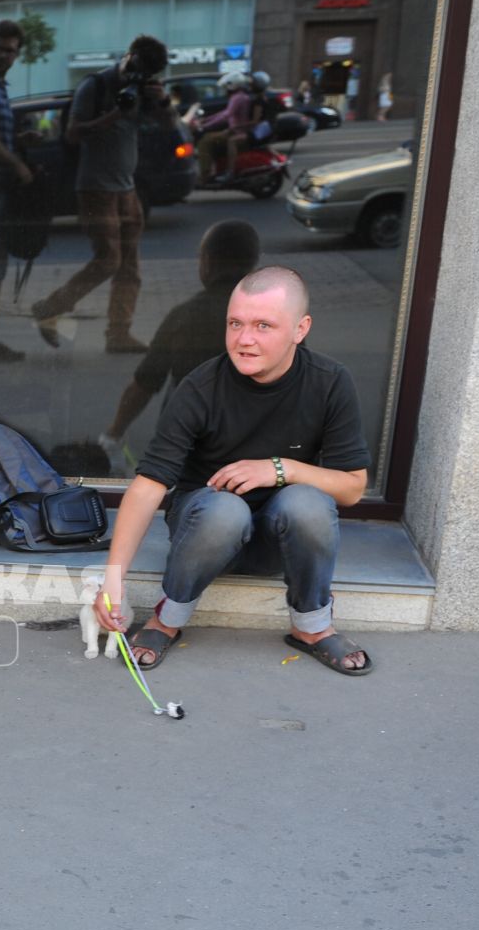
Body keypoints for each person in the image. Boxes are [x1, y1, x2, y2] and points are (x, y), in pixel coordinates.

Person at [94, 266, 375, 676]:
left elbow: (352, 489)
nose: (245, 339)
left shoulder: (329, 382)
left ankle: (313, 628)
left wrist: (281, 469)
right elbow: (149, 484)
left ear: (301, 328)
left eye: (264, 325)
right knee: (226, 510)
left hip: (279, 543)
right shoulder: (200, 387)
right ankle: (166, 620)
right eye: (235, 324)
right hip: (206, 534)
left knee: (308, 502)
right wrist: (113, 580)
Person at [28, 34, 170, 355]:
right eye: (138, 69)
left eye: (147, 74)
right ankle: (50, 307)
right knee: (108, 260)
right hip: (95, 188)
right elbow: (74, 134)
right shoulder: (95, 86)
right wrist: (116, 114)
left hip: (127, 188)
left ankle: (118, 334)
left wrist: (161, 102)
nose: (139, 77)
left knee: (130, 267)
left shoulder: (144, 90)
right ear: (128, 56)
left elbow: (167, 123)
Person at [94, 219, 260, 475]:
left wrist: (113, 434)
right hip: (258, 450)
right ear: (253, 262)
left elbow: (145, 384)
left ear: (207, 261)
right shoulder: (276, 316)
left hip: (195, 452)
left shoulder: (185, 316)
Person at [0, 21, 34, 363]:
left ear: (17, 55)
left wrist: (19, 143)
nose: (3, 55)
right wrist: (15, 162)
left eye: (9, 50)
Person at [194, 71, 252, 183]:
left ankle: (205, 175)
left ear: (232, 85)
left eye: (226, 87)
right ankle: (216, 170)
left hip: (237, 132)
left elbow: (226, 115)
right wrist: (205, 120)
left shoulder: (238, 98)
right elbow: (224, 113)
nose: (225, 90)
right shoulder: (239, 97)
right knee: (209, 138)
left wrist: (205, 126)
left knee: (204, 142)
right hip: (234, 130)